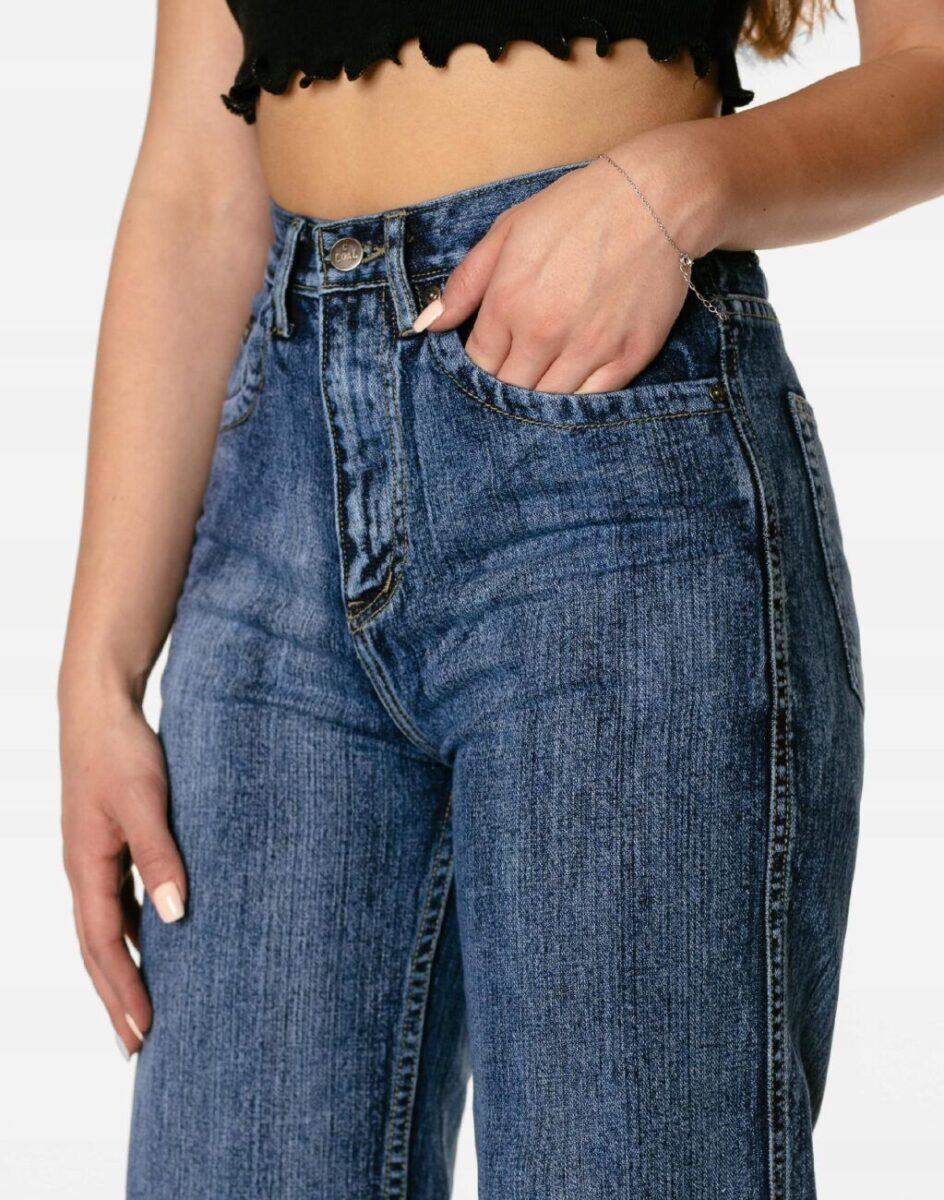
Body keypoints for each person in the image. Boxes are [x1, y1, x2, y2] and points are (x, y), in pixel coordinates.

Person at [58, 1, 943, 1195]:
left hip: (610, 457)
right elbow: (198, 182)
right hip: (271, 506)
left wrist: (682, 185)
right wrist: (99, 673)